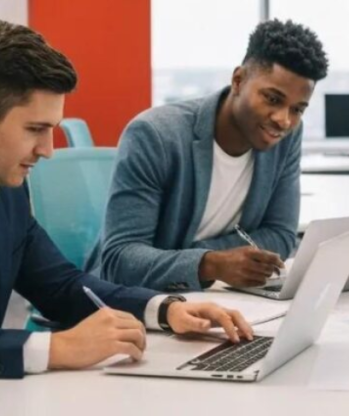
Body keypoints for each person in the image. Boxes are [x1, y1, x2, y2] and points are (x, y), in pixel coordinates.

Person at [0, 20, 253, 416]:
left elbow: (62, 285)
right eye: (35, 129)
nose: (48, 150)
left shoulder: (4, 183)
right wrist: (57, 348)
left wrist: (164, 309)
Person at [89, 19, 328, 291]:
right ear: (238, 81)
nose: (283, 120)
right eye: (272, 99)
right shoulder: (155, 135)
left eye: (297, 109)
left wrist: (206, 258)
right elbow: (119, 259)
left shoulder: (287, 137)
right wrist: (209, 264)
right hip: (131, 302)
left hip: (214, 297)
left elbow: (280, 236)